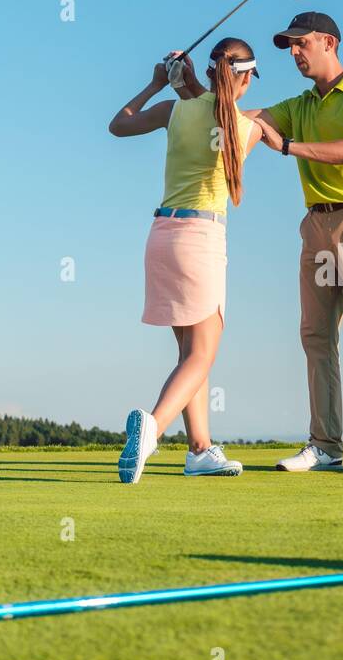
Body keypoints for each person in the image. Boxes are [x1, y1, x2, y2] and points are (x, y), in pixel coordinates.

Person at [174, 12, 343, 474]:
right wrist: (191, 85)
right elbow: (231, 118)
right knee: (315, 336)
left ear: (329, 42)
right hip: (316, 225)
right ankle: (326, 444)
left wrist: (288, 146)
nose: (294, 53)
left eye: (301, 43)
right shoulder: (300, 104)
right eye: (289, 46)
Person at [106, 38, 263, 482]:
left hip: (161, 238)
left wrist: (159, 83)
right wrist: (188, 83)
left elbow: (119, 125)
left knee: (188, 354)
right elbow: (218, 111)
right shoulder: (245, 126)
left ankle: (199, 450)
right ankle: (153, 429)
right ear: (246, 76)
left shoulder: (174, 111)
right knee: (202, 356)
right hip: (201, 240)